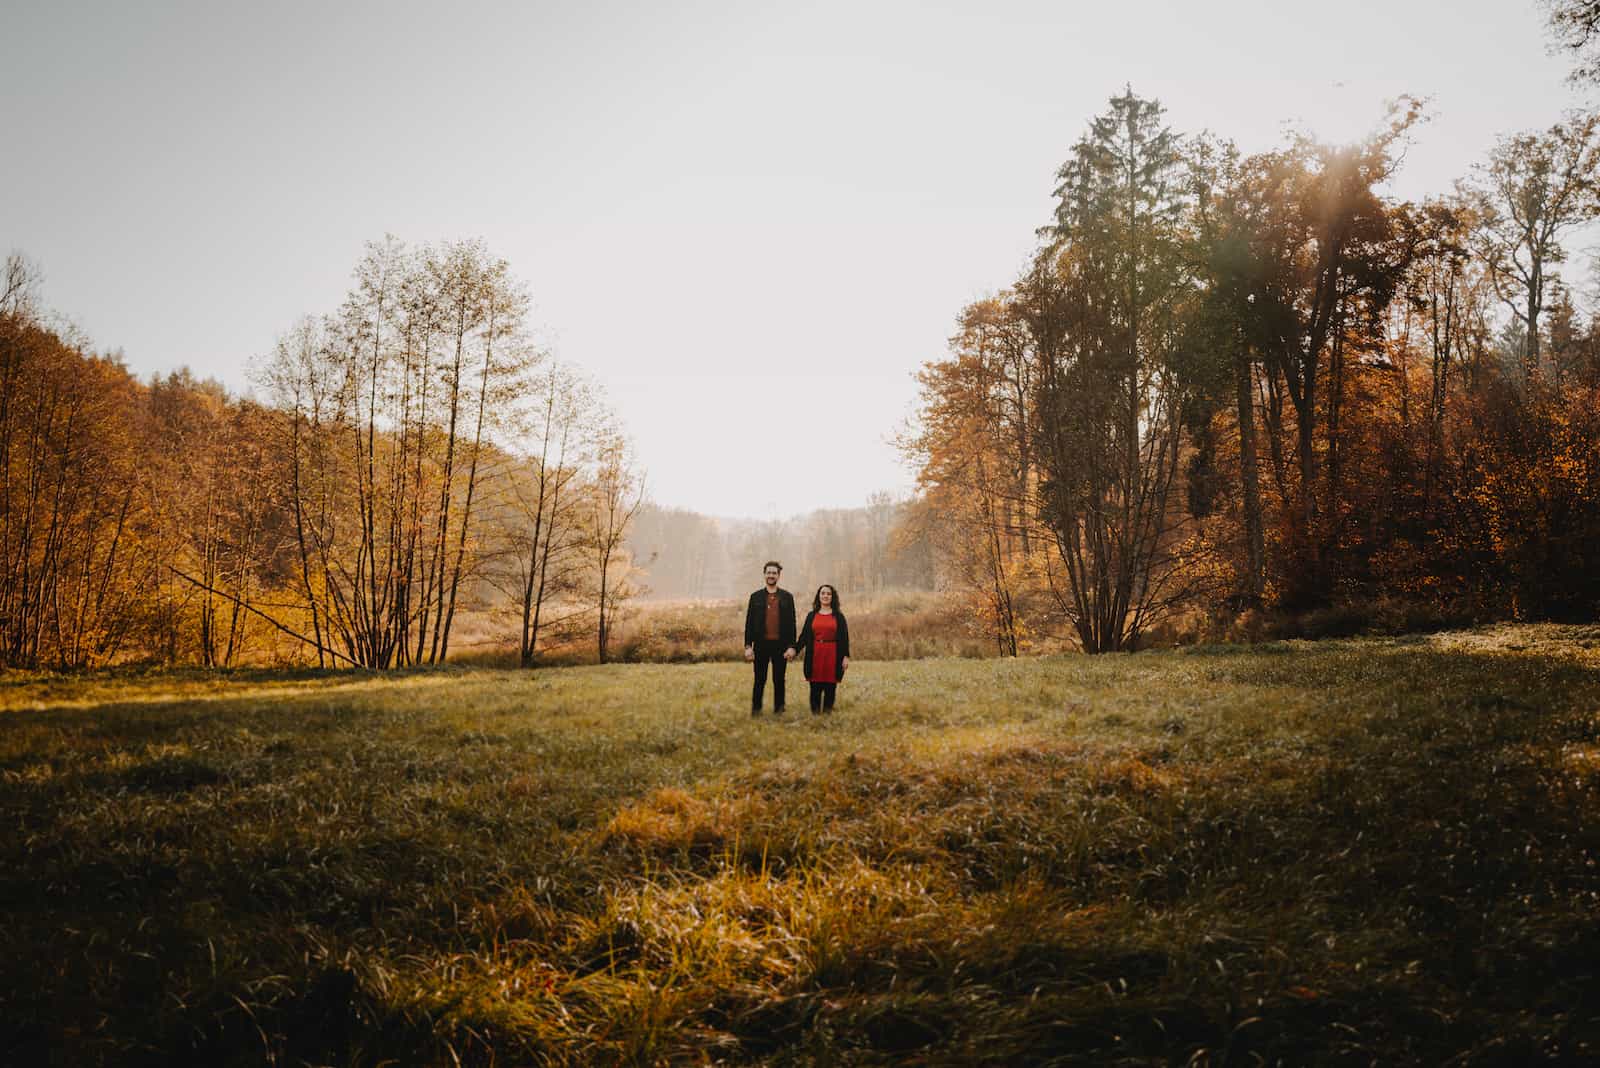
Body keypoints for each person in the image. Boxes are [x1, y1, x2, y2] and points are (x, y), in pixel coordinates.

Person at [743, 561, 797, 716]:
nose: (771, 575)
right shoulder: (756, 597)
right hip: (761, 645)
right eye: (769, 572)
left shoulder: (787, 597)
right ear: (764, 574)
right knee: (760, 679)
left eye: (774, 573)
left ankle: (779, 710)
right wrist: (748, 646)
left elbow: (792, 623)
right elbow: (749, 623)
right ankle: (756, 710)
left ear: (778, 575)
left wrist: (791, 646)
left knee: (779, 679)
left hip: (780, 645)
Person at [790, 583, 850, 714]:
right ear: (819, 596)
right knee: (815, 686)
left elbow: (845, 638)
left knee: (830, 686)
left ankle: (827, 714)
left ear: (832, 597)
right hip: (815, 654)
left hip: (833, 654)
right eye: (823, 593)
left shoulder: (839, 617)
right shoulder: (812, 615)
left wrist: (846, 656)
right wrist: (794, 649)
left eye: (828, 594)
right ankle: (815, 714)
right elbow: (804, 636)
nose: (825, 596)